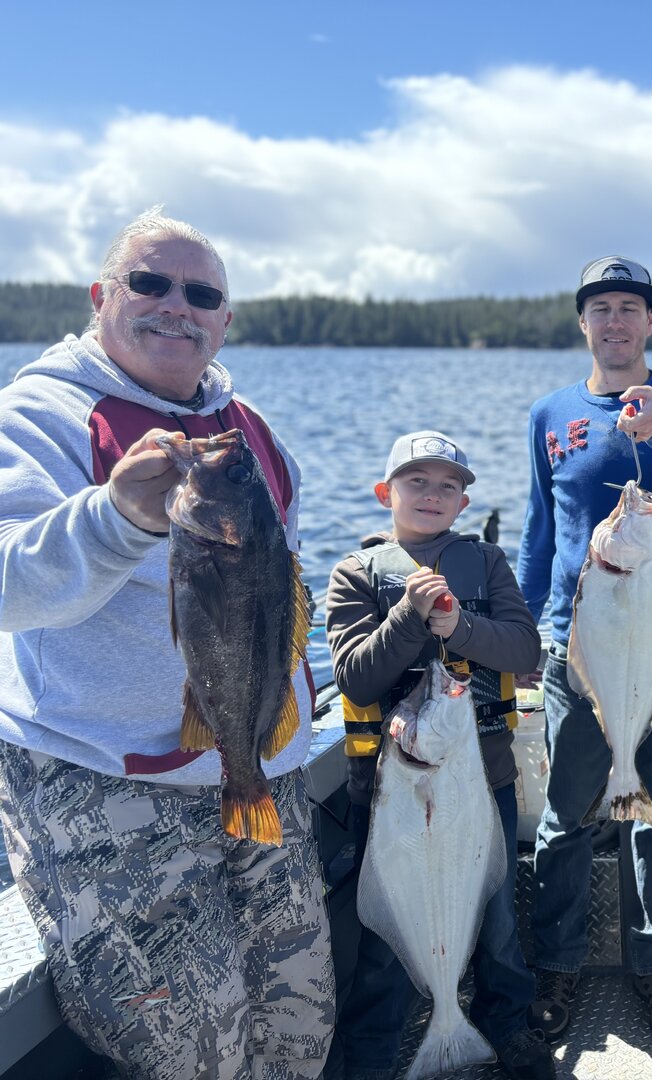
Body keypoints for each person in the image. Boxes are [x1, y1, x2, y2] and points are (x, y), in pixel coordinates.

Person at [0, 208, 334, 1078]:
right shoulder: (36, 413)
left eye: (202, 294)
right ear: (100, 295)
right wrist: (114, 517)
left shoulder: (250, 431)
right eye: (149, 282)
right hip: (104, 785)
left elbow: (283, 594)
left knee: (299, 1029)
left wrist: (273, 737)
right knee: (190, 1054)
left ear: (226, 321)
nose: (176, 306)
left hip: (258, 762)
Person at [517, 256, 652, 1043]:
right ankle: (557, 962)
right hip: (575, 653)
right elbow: (542, 531)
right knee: (565, 818)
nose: (615, 322)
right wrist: (524, 627)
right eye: (601, 308)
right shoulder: (549, 414)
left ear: (651, 322)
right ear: (584, 323)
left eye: (630, 308)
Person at [326, 430, 549, 1080]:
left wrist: (459, 627)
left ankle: (506, 1025)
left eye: (448, 485)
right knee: (386, 941)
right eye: (416, 481)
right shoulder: (356, 574)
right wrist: (407, 616)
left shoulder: (487, 563)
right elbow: (356, 679)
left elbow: (525, 651)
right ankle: (374, 1051)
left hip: (483, 783)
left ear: (463, 501)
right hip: (393, 794)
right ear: (385, 493)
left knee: (498, 920)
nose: (432, 494)